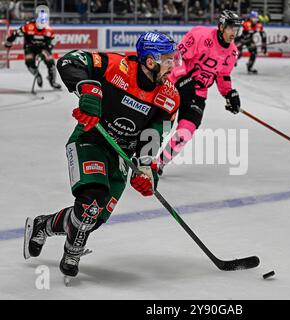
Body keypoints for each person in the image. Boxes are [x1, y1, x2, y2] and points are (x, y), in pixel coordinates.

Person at [23, 32, 181, 278]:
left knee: (94, 217)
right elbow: (69, 62)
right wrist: (89, 90)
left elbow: (153, 137)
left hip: (121, 156)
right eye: (169, 60)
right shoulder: (115, 66)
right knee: (92, 200)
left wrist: (146, 170)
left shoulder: (170, 97)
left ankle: (43, 224)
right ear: (150, 61)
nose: (174, 65)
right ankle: (73, 250)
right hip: (91, 139)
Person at [158, 10, 242, 174]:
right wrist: (181, 78)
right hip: (175, 86)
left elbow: (223, 75)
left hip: (198, 93)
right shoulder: (200, 35)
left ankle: (160, 163)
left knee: (186, 131)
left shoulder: (232, 52)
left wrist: (229, 93)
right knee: (161, 125)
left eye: (236, 29)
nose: (234, 33)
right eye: (231, 28)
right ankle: (140, 154)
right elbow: (177, 55)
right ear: (222, 26)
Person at [3, 9, 61, 89]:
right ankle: (37, 75)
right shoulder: (28, 27)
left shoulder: (49, 30)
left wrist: (48, 49)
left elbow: (52, 42)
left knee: (50, 62)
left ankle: (52, 81)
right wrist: (9, 42)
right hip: (30, 47)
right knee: (29, 62)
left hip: (43, 48)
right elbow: (16, 33)